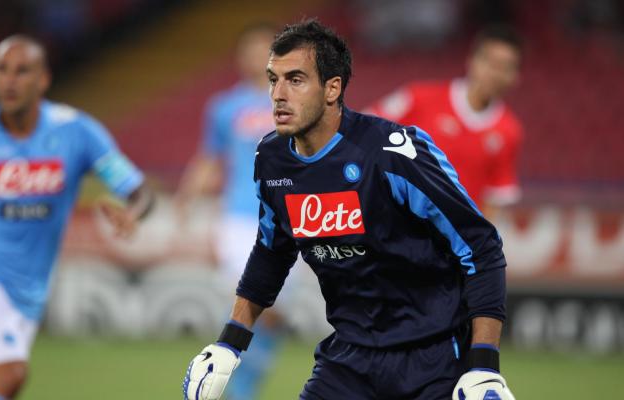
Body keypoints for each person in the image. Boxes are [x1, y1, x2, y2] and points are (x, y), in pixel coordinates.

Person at [183, 20, 515, 400]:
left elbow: (482, 246)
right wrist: (230, 342)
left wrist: (484, 365)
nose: (277, 94)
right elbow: (273, 250)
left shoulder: (392, 153)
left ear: (332, 88)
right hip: (349, 358)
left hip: (433, 358)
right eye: (273, 79)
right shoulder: (271, 158)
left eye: (295, 80)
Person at [0, 35, 153, 400]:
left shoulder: (76, 132)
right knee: (9, 372)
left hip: (28, 292)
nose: (9, 80)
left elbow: (138, 190)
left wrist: (132, 213)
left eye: (22, 71)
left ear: (43, 79)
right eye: (1, 70)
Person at [174, 23, 292, 400]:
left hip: (290, 220)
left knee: (273, 313)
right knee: (249, 304)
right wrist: (186, 198)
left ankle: (247, 380)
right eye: (249, 50)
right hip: (240, 218)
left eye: (263, 50)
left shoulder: (295, 102)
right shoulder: (224, 107)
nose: (256, 57)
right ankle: (241, 391)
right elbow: (210, 157)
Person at [365, 25, 523, 215]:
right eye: (491, 63)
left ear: (515, 76)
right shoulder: (419, 98)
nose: (496, 74)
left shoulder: (508, 131)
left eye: (506, 67)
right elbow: (362, 129)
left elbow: (493, 199)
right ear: (472, 61)